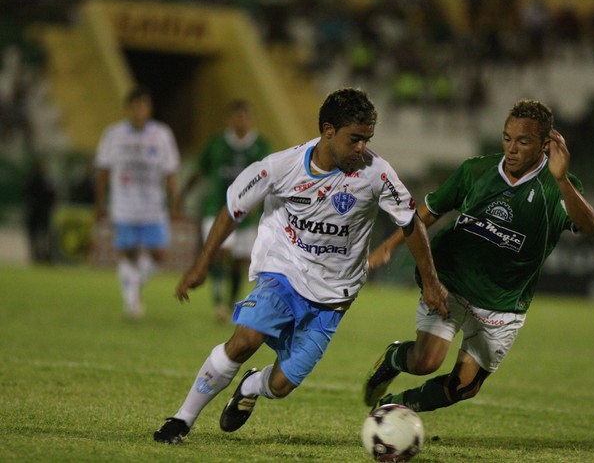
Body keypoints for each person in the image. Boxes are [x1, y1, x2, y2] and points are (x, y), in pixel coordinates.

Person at [153, 87, 448, 444]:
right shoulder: (280, 166)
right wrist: (201, 265)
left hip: (333, 295)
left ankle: (251, 384)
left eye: (367, 140)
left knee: (280, 386)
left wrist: (430, 282)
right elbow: (233, 210)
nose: (362, 149)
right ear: (328, 130)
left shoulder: (377, 173)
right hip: (284, 271)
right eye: (355, 139)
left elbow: (411, 223)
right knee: (246, 338)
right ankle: (182, 419)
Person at [362, 98, 594, 414]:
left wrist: (561, 178)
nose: (511, 148)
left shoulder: (556, 189)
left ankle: (388, 408)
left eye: (523, 141)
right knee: (426, 361)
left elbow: (588, 227)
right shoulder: (476, 170)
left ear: (544, 145)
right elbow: (428, 212)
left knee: (464, 387)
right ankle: (393, 363)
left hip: (503, 302)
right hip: (451, 281)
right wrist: (389, 246)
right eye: (507, 138)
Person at [179, 100, 272, 322]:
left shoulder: (262, 146)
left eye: (245, 117)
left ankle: (230, 304)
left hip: (248, 216)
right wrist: (182, 195)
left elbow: (270, 179)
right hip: (217, 208)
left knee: (241, 259)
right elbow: (199, 171)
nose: (241, 121)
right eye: (237, 117)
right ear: (229, 119)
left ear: (251, 119)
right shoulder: (217, 144)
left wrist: (257, 203)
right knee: (220, 252)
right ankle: (219, 301)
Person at [94, 85, 180, 320]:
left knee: (159, 255)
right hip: (123, 206)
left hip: (153, 206)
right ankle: (132, 301)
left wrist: (175, 201)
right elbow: (103, 170)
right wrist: (99, 203)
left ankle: (132, 284)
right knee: (128, 252)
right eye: (135, 105)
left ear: (149, 109)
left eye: (143, 105)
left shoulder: (162, 134)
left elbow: (170, 172)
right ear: (128, 108)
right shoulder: (113, 134)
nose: (139, 110)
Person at [24, 157, 56, 263]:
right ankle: (36, 254)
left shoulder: (45, 181)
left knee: (43, 234)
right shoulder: (34, 180)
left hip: (42, 211)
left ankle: (43, 254)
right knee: (35, 234)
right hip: (36, 211)